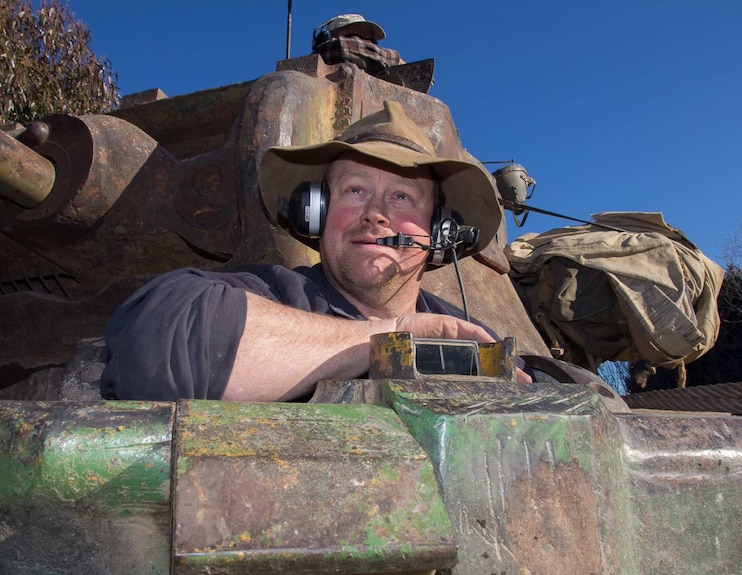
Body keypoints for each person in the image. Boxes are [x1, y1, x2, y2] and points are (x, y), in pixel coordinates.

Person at [100, 100, 530, 403]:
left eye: (402, 197)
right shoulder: (272, 293)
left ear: (439, 232)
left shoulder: (464, 331)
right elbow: (163, 343)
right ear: (315, 213)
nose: (376, 215)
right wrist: (389, 335)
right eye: (355, 190)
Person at [311, 14, 404, 75]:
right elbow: (344, 47)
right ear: (328, 36)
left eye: (369, 41)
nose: (364, 44)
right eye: (352, 35)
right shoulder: (325, 51)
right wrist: (396, 59)